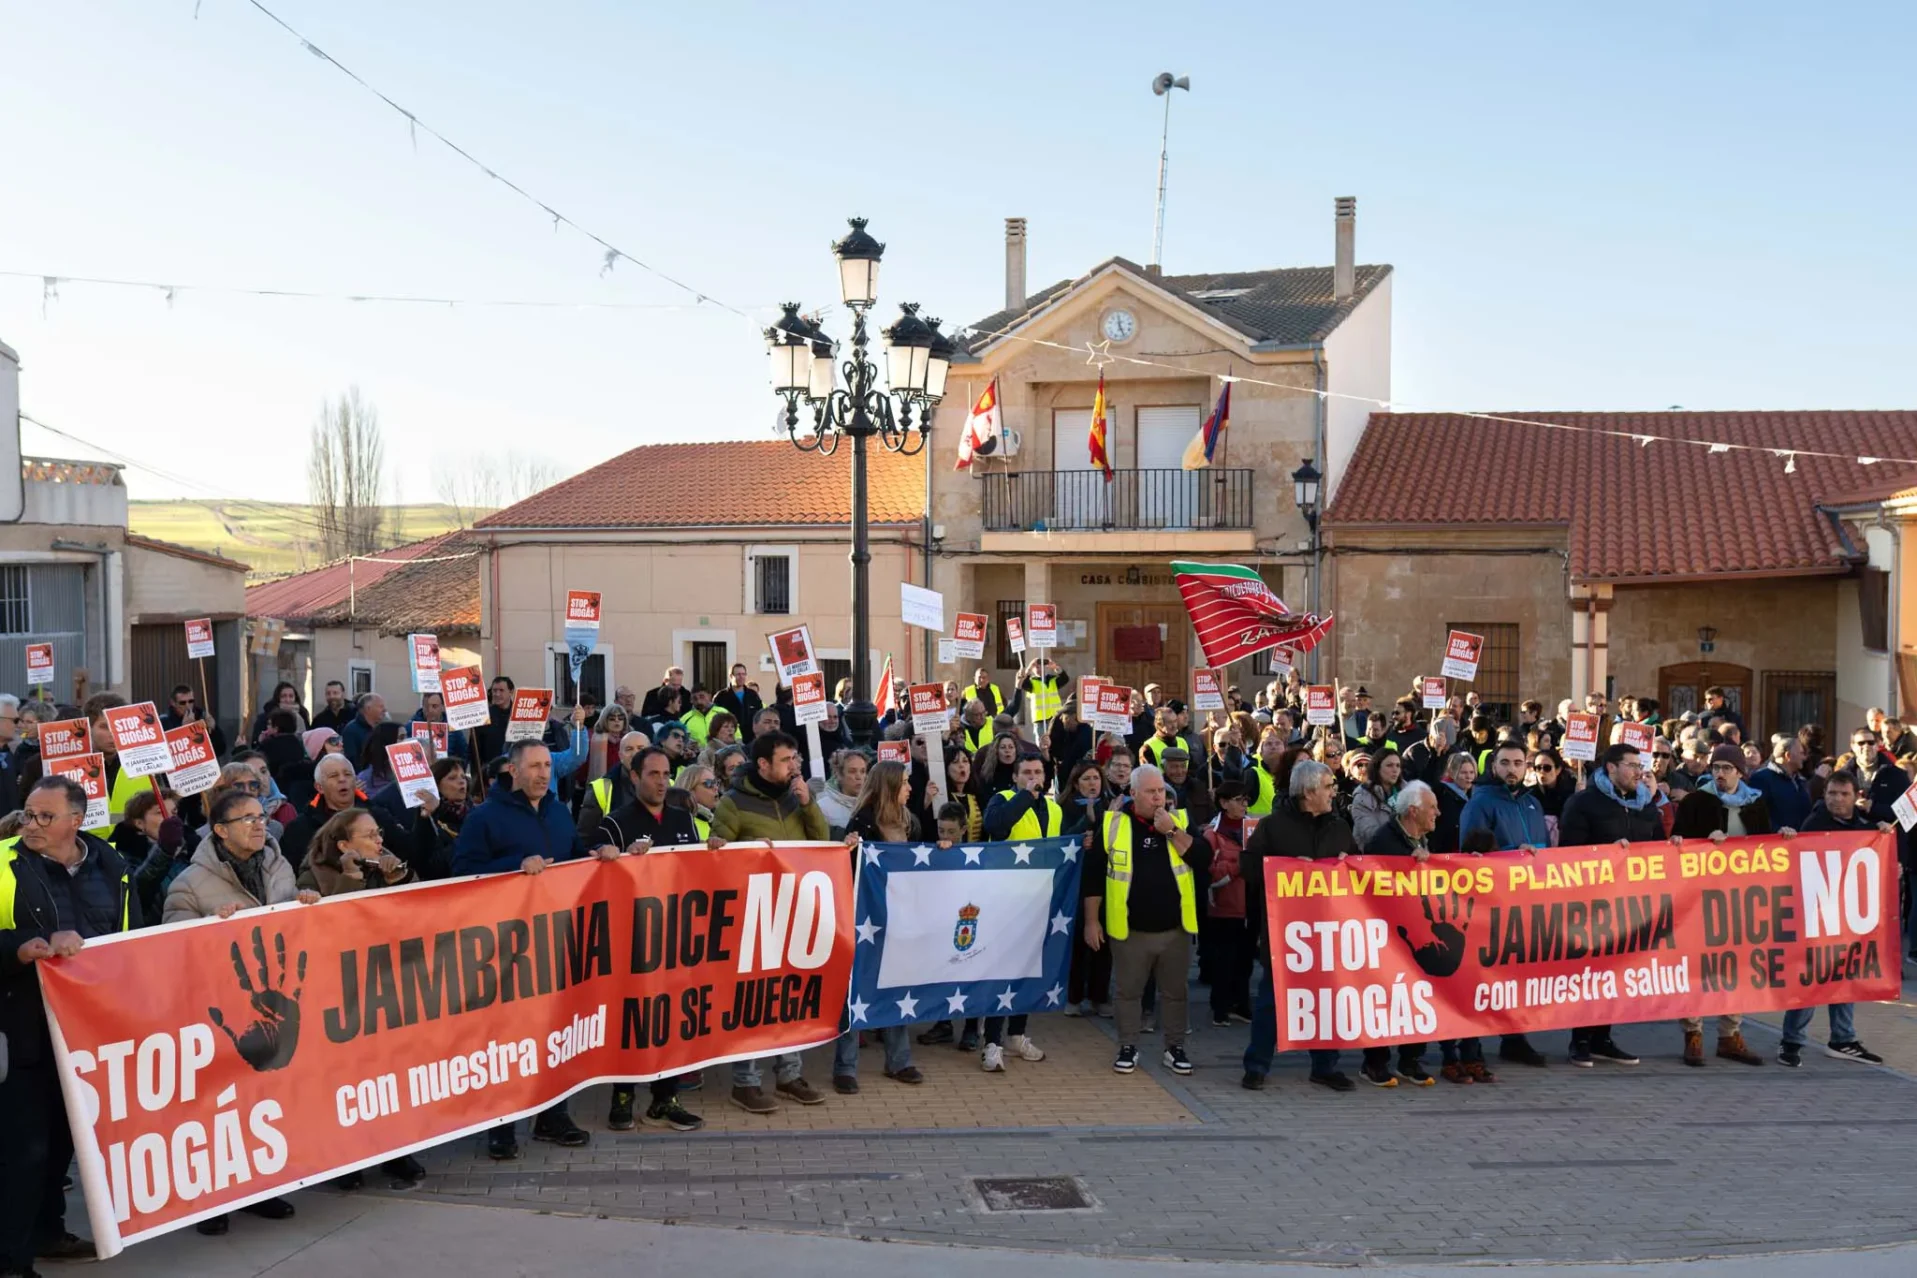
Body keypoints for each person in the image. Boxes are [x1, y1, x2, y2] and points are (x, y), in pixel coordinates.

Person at [0, 776, 145, 1270]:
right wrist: (18, 947)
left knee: (64, 1143)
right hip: (22, 1031)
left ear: (76, 821)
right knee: (22, 1151)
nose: (31, 824)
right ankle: (11, 1258)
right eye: (27, 813)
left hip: (89, 1032)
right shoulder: (3, 862)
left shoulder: (112, 864)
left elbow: (133, 938)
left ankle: (49, 1233)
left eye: (44, 816)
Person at [453, 740, 622, 1156]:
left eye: (548, 765)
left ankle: (552, 1114)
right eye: (534, 766)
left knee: (554, 1031)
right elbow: (460, 873)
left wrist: (596, 856)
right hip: (505, 947)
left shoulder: (558, 812)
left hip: (555, 939)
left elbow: (571, 858)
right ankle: (502, 1124)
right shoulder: (484, 818)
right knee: (509, 1037)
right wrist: (514, 868)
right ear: (512, 770)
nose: (544, 773)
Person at [162, 787, 318, 1232]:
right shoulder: (190, 883)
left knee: (262, 1104)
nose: (258, 824)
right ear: (220, 830)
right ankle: (209, 1205)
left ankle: (259, 1189)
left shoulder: (278, 863)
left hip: (272, 1010)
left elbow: (290, 921)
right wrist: (210, 930)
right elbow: (171, 946)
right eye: (246, 818)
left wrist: (304, 901)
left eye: (260, 815)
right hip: (221, 1014)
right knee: (217, 1109)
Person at [709, 732, 830, 1113]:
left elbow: (821, 841)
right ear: (763, 765)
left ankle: (789, 1075)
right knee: (751, 1003)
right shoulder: (734, 803)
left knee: (790, 998)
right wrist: (716, 845)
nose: (794, 766)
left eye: (795, 758)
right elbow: (716, 856)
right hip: (752, 918)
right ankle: (745, 1082)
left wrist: (809, 806)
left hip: (792, 911)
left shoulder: (798, 799)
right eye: (785, 760)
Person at [589, 747, 707, 1131]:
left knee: (672, 1018)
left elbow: (696, 871)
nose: (660, 781)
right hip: (633, 940)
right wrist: (620, 856)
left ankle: (665, 1098)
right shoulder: (615, 822)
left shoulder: (682, 818)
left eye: (666, 774)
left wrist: (715, 853)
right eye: (653, 774)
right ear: (635, 776)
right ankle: (622, 1098)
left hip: (676, 937)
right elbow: (597, 877)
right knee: (634, 1019)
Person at [1240, 760, 1359, 1091]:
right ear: (1309, 792)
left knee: (1327, 1000)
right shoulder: (1273, 827)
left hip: (1328, 932)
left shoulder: (1339, 827)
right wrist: (1288, 869)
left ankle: (1324, 1065)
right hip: (1286, 936)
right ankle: (1257, 1065)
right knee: (1272, 1001)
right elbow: (1248, 868)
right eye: (1328, 786)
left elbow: (1360, 868)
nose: (1334, 792)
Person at [1083, 764, 1196, 1077]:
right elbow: (1092, 879)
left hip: (1175, 928)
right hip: (1130, 930)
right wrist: (1092, 922)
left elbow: (1200, 859)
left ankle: (1175, 1048)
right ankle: (1128, 1046)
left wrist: (1171, 831)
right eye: (1150, 792)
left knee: (1176, 993)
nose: (1158, 797)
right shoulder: (1113, 824)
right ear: (1133, 794)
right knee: (1128, 993)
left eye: (1161, 791)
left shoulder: (1181, 820)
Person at [1553, 742, 1662, 1066]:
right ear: (1611, 768)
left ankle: (1603, 1037)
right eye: (1631, 765)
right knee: (1591, 971)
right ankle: (1581, 1039)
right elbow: (1568, 852)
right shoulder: (1584, 803)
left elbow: (1656, 846)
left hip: (1630, 905)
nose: (1638, 771)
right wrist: (1607, 854)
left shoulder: (1645, 804)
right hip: (1591, 903)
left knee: (1615, 973)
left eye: (1640, 765)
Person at [1781, 771, 1889, 1066]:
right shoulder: (1815, 824)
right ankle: (1791, 1042)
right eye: (1831, 793)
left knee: (1845, 976)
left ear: (1856, 797)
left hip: (1849, 919)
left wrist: (1883, 839)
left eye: (1843, 794)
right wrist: (1789, 839)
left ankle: (1843, 1039)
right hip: (1817, 918)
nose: (1837, 799)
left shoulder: (1866, 828)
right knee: (1812, 981)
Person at [836, 761, 927, 1086]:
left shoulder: (909, 821)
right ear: (889, 786)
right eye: (904, 782)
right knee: (855, 990)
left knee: (896, 987)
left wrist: (943, 849)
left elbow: (923, 859)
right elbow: (848, 870)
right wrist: (847, 847)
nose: (909, 788)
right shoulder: (862, 822)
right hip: (864, 920)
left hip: (900, 919)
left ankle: (899, 1061)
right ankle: (845, 1067)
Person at [1356, 781, 1439, 1086]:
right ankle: (1374, 1062)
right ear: (1414, 811)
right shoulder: (1385, 841)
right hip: (1388, 933)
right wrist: (1410, 866)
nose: (1438, 813)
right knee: (1385, 995)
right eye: (1432, 807)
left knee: (1417, 995)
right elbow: (1381, 883)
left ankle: (1410, 1059)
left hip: (1418, 931)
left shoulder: (1426, 839)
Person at [1198, 780, 1253, 1028]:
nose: (1244, 804)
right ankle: (1220, 1007)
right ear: (1223, 802)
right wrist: (1239, 865)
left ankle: (1241, 1004)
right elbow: (1211, 873)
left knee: (1245, 960)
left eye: (1245, 800)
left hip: (1251, 906)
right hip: (1224, 907)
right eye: (1239, 800)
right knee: (1224, 961)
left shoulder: (1253, 829)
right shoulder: (1212, 834)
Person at [577, 730, 649, 839]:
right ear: (620, 755)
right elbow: (585, 837)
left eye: (641, 748)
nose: (635, 754)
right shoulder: (599, 788)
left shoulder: (668, 785)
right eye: (629, 749)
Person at [1748, 734, 1813, 833]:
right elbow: (1755, 814)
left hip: (1801, 844)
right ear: (1788, 756)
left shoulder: (1801, 781)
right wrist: (1777, 830)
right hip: (1775, 845)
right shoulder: (1761, 779)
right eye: (1801, 753)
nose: (1804, 757)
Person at [1349, 747, 1404, 846]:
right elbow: (1371, 835)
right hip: (1372, 856)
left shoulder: (1407, 792)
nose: (1395, 770)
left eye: (1398, 765)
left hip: (1406, 854)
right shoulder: (1362, 797)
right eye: (1389, 765)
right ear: (1377, 768)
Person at [159, 683, 231, 759]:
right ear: (173, 703)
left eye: (191, 701)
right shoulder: (164, 721)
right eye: (182, 703)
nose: (187, 706)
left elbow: (220, 749)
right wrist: (184, 729)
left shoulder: (201, 715)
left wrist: (214, 730)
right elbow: (168, 752)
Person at [409, 691, 471, 765]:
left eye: (434, 706)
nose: (430, 710)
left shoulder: (453, 729)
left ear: (442, 707)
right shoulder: (410, 727)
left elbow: (463, 755)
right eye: (426, 706)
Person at [1432, 752, 1475, 854]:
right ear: (1453, 773)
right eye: (1463, 773)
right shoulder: (1440, 794)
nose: (1468, 777)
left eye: (1472, 772)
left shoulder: (1474, 796)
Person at [713, 662, 764, 732]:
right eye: (738, 674)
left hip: (750, 738)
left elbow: (760, 715)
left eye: (743, 674)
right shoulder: (721, 696)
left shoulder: (753, 695)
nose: (741, 677)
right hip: (729, 736)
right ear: (731, 676)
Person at [340, 692, 387, 766]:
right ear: (368, 708)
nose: (384, 710)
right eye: (381, 706)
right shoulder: (351, 731)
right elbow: (352, 761)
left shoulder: (381, 728)